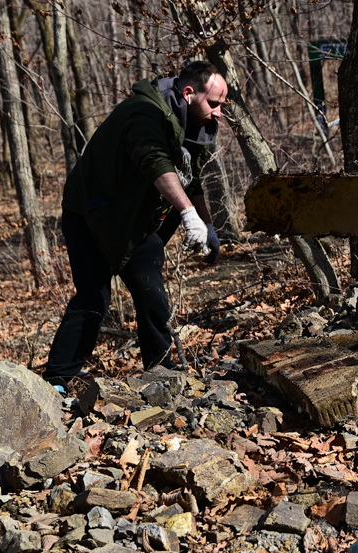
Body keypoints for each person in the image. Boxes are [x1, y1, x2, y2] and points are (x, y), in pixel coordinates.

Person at [44, 60, 227, 390]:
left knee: (149, 292)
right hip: (90, 213)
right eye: (213, 103)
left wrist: (207, 224)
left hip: (131, 217)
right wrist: (187, 214)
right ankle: (57, 379)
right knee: (94, 297)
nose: (218, 113)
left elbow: (191, 178)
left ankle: (160, 374)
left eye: (221, 105)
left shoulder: (195, 124)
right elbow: (153, 161)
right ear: (189, 93)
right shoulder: (144, 112)